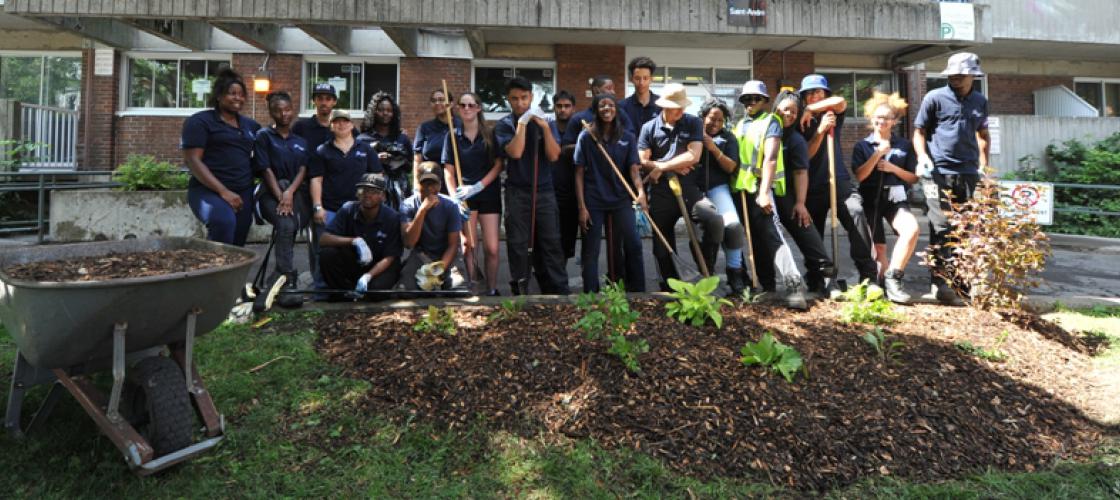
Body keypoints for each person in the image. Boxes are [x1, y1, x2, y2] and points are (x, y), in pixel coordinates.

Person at [913, 52, 990, 305]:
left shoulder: (980, 101)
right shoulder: (934, 98)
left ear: (972, 76)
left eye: (960, 75)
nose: (955, 78)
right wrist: (922, 157)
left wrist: (984, 166)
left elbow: (982, 134)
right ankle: (940, 281)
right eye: (952, 74)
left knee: (966, 227)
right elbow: (919, 132)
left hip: (968, 172)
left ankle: (963, 281)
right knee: (941, 225)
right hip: (937, 172)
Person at [638, 83, 724, 290]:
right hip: (660, 191)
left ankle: (706, 269)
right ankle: (669, 286)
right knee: (661, 243)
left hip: (689, 188)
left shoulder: (693, 122)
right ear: (664, 107)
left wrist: (662, 165)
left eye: (682, 106)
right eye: (676, 107)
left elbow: (694, 155)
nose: (681, 110)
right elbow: (642, 159)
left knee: (713, 219)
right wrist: (671, 167)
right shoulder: (648, 128)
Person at [797, 74, 878, 289]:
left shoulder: (833, 112)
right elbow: (806, 155)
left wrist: (813, 110)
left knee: (856, 212)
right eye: (809, 94)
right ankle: (817, 276)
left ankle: (869, 277)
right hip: (811, 185)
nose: (814, 96)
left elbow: (841, 102)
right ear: (803, 97)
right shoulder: (800, 122)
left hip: (838, 180)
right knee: (812, 232)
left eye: (818, 92)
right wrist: (821, 131)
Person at [732, 80, 808, 309]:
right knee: (756, 240)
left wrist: (765, 192)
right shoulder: (740, 125)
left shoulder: (771, 122)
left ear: (765, 101)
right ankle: (767, 286)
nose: (751, 102)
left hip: (760, 188)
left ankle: (795, 286)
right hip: (742, 189)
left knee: (773, 235)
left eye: (756, 98)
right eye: (747, 98)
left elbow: (771, 159)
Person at [494, 76, 570, 295]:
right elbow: (515, 152)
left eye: (524, 98)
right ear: (508, 100)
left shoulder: (547, 122)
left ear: (532, 97)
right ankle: (521, 289)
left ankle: (557, 290)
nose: (520, 103)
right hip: (517, 192)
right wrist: (522, 124)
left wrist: (545, 128)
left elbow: (554, 155)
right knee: (518, 244)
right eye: (514, 99)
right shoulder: (504, 125)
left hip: (544, 191)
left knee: (551, 242)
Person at [574, 94, 647, 293]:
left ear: (617, 109)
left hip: (621, 199)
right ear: (596, 110)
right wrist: (582, 207)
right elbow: (579, 173)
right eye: (602, 106)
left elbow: (633, 169)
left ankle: (638, 292)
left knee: (633, 243)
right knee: (591, 250)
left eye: (611, 105)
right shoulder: (587, 136)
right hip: (593, 201)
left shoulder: (627, 136)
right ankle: (590, 295)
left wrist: (640, 193)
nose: (607, 109)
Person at [180, 67, 261, 246]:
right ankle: (212, 272)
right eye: (232, 93)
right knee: (223, 223)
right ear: (218, 96)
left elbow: (264, 156)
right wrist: (223, 192)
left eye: (241, 94)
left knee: (238, 241)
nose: (238, 98)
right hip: (208, 191)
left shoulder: (251, 126)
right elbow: (193, 160)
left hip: (243, 192)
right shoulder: (200, 122)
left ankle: (232, 274)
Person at [853, 91, 920, 304]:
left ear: (895, 121)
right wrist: (877, 154)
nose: (882, 121)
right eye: (878, 117)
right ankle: (881, 285)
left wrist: (892, 167)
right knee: (878, 247)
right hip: (870, 198)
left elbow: (913, 177)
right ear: (871, 119)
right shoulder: (862, 146)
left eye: (887, 117)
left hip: (895, 197)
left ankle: (894, 277)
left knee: (911, 230)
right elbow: (860, 175)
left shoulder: (904, 146)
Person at [766, 90, 835, 296]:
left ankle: (825, 273)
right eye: (785, 109)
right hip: (765, 191)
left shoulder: (795, 139)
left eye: (794, 112)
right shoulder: (766, 129)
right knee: (766, 235)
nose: (789, 114)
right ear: (776, 108)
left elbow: (801, 171)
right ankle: (766, 282)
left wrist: (800, 202)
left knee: (802, 224)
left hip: (787, 193)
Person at [442, 92, 503, 296]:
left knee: (492, 248)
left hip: (488, 194)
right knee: (469, 245)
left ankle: (492, 288)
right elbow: (448, 171)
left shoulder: (490, 134)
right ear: (458, 109)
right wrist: (454, 199)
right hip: (464, 197)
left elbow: (498, 165)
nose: (467, 108)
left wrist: (478, 186)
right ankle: (473, 287)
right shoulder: (451, 135)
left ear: (478, 108)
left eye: (471, 105)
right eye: (463, 105)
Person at [252, 91, 310, 307]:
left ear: (292, 109)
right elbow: (265, 169)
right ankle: (288, 278)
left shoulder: (301, 141)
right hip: (270, 192)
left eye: (286, 109)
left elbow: (303, 169)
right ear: (271, 112)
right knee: (285, 224)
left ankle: (277, 277)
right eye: (278, 110)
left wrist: (289, 194)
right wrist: (280, 196)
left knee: (291, 226)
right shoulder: (264, 136)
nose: (283, 114)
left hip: (294, 193)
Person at [695, 98, 748, 296]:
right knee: (712, 226)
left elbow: (731, 166)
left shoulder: (728, 138)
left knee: (733, 226)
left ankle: (735, 273)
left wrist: (713, 148)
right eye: (711, 118)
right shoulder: (692, 132)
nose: (715, 124)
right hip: (694, 190)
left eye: (720, 120)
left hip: (718, 188)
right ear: (703, 116)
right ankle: (708, 273)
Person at [318, 174, 403, 296]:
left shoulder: (392, 217)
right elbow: (324, 239)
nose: (367, 194)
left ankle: (365, 288)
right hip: (356, 262)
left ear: (383, 196)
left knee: (376, 292)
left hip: (380, 266)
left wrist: (368, 276)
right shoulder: (348, 209)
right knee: (327, 254)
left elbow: (390, 257)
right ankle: (343, 293)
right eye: (363, 190)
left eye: (373, 191)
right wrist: (354, 241)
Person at [398, 162, 467, 290]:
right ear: (417, 183)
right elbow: (409, 243)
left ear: (440, 185)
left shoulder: (450, 206)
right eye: (425, 183)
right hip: (421, 255)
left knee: (458, 288)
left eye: (433, 184)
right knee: (405, 289)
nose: (429, 188)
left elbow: (453, 245)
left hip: (446, 256)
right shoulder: (408, 205)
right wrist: (422, 211)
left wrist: (439, 269)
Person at [309, 109, 383, 226]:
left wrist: (373, 205)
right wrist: (318, 207)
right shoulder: (322, 151)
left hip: (361, 210)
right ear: (331, 126)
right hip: (330, 211)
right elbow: (316, 180)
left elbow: (378, 177)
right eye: (337, 122)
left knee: (360, 244)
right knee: (328, 243)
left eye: (345, 121)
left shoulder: (366, 149)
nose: (341, 124)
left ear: (352, 125)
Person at [358, 91, 412, 210]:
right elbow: (357, 166)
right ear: (374, 112)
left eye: (389, 110)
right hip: (373, 191)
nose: (385, 113)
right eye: (381, 110)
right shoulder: (362, 139)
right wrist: (375, 159)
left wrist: (394, 160)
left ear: (394, 113)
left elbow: (410, 167)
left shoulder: (402, 138)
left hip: (400, 191)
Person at [551, 90, 582, 265]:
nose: (563, 109)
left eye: (567, 106)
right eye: (559, 106)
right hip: (550, 188)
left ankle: (560, 273)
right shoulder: (547, 127)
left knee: (568, 236)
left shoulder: (580, 128)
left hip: (573, 190)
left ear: (573, 108)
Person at [413, 88, 460, 192]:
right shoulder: (424, 128)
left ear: (451, 103)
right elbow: (417, 160)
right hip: (430, 183)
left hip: (457, 183)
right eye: (434, 100)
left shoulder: (461, 126)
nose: (437, 103)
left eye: (441, 99)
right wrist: (416, 186)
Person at [293, 83, 353, 152]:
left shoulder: (344, 127)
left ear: (334, 101)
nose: (324, 103)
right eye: (320, 99)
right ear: (313, 101)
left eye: (328, 99)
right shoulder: (301, 127)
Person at [620, 56, 661, 138]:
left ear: (651, 79)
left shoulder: (662, 105)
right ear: (631, 79)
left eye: (645, 78)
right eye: (637, 78)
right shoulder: (622, 106)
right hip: (631, 150)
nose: (641, 83)